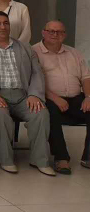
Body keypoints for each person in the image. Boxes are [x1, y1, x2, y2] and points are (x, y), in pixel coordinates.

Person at [0, 11, 54, 176]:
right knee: (0, 114)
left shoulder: (25, 47)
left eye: (5, 23)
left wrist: (34, 95)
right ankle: (6, 159)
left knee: (40, 113)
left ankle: (40, 160)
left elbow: (37, 73)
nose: (2, 27)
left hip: (22, 95)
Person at [32, 21, 90, 174]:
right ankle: (61, 158)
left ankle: (88, 157)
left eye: (59, 32)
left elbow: (86, 77)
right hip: (47, 97)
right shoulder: (33, 52)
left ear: (64, 35)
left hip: (75, 97)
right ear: (43, 32)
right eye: (51, 31)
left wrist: (88, 97)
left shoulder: (74, 53)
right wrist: (54, 98)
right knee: (50, 112)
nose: (55, 34)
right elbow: (33, 80)